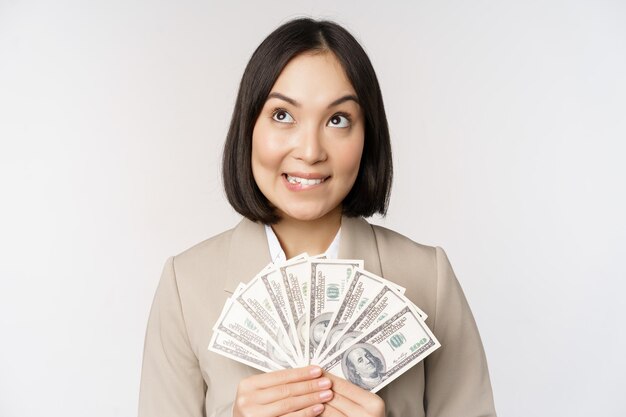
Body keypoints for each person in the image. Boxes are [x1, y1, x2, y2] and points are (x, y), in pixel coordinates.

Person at [138, 17, 497, 417]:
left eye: (337, 119)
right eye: (282, 115)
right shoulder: (185, 286)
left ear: (367, 136)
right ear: (248, 127)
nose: (310, 151)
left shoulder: (429, 277)